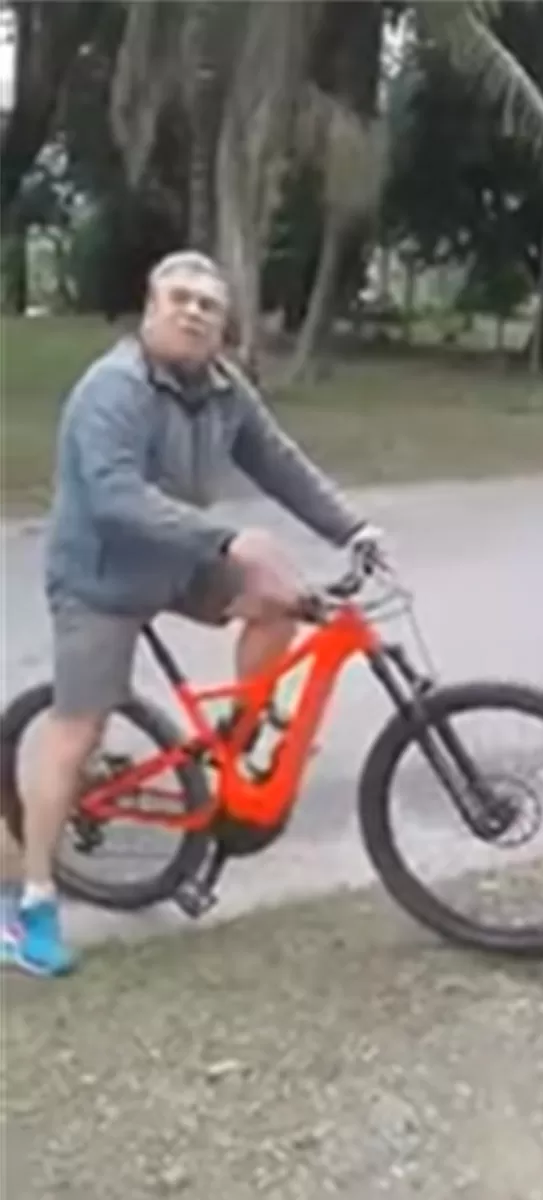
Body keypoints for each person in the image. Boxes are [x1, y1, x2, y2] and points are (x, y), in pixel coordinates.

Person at [0, 250, 387, 979]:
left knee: (282, 601)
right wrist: (231, 538)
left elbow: (278, 461)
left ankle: (236, 740)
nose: (193, 313)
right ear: (150, 309)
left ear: (223, 328)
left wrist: (353, 528)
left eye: (209, 306)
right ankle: (33, 904)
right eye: (179, 298)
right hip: (101, 577)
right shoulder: (110, 390)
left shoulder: (221, 388)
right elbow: (115, 497)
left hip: (180, 559)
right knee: (77, 730)